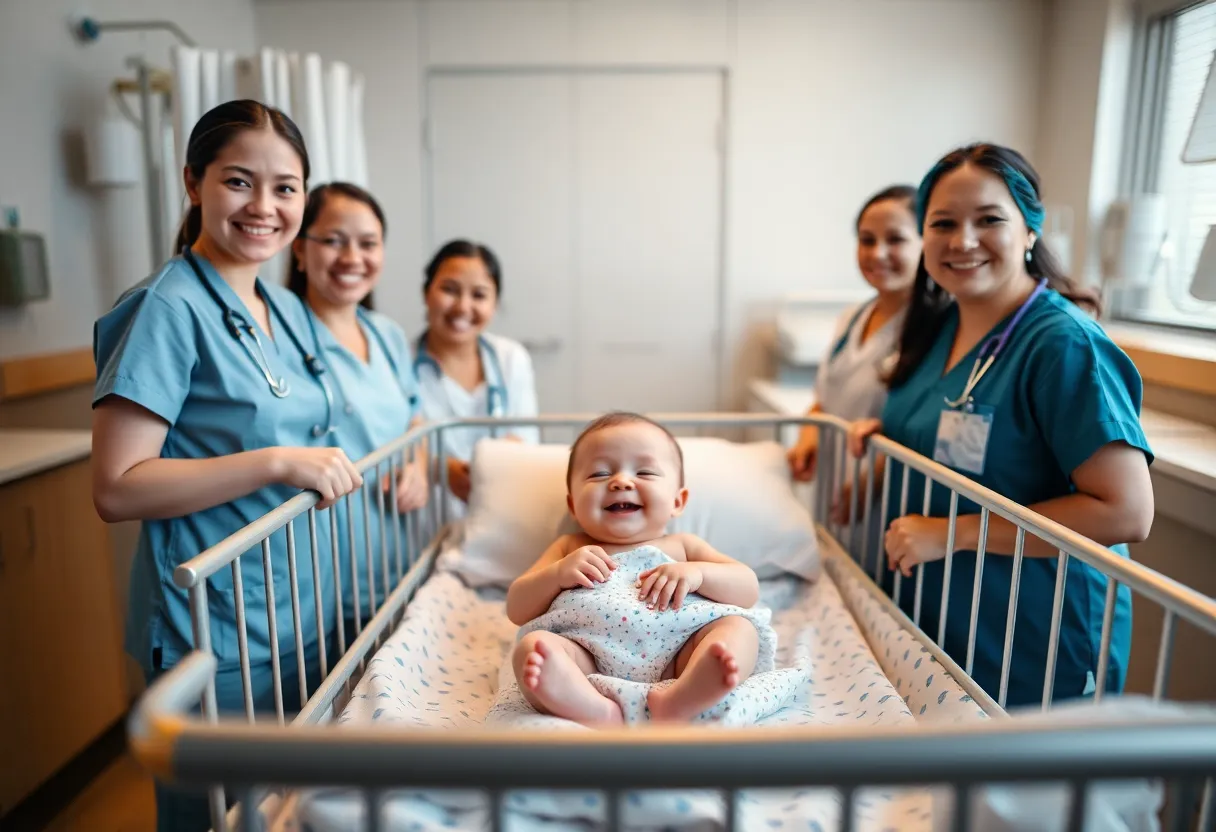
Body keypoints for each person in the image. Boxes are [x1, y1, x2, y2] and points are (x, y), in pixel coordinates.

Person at [92, 100, 362, 831]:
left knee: (280, 812)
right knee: (214, 816)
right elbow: (117, 488)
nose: (264, 207)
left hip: (299, 605)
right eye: (240, 182)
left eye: (285, 188)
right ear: (194, 182)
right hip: (214, 623)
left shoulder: (285, 308)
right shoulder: (164, 309)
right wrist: (274, 461)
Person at [847, 143, 1154, 709]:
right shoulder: (941, 328)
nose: (963, 241)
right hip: (939, 622)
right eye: (942, 223)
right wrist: (886, 434)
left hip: (1034, 635)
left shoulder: (1062, 344)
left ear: (1031, 231)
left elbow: (1126, 512)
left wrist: (955, 532)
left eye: (989, 219)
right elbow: (942, 430)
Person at [505, 412, 774, 726]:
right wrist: (557, 573)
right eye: (599, 474)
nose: (621, 481)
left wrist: (698, 573)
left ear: (677, 501)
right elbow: (517, 608)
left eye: (644, 472)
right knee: (533, 651)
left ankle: (681, 699)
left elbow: (748, 588)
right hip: (588, 657)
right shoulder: (569, 547)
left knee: (738, 629)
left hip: (681, 653)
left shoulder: (684, 546)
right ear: (573, 505)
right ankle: (599, 712)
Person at [286, 182, 428, 625]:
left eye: (368, 244)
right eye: (333, 240)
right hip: (321, 554)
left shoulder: (385, 334)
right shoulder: (280, 334)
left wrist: (419, 466)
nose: (352, 258)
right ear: (298, 250)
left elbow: (415, 415)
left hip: (392, 544)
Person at [787, 184, 921, 483]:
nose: (878, 253)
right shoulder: (852, 318)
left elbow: (917, 435)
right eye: (867, 240)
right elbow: (824, 401)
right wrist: (808, 434)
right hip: (834, 493)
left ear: (926, 245)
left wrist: (864, 487)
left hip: (883, 498)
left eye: (896, 239)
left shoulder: (938, 330)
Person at [413, 240, 539, 515]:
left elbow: (526, 443)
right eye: (449, 290)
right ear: (426, 293)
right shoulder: (400, 362)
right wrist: (440, 469)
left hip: (498, 519)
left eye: (479, 295)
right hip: (425, 525)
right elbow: (396, 448)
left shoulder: (511, 359)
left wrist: (494, 463)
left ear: (495, 304)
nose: (462, 306)